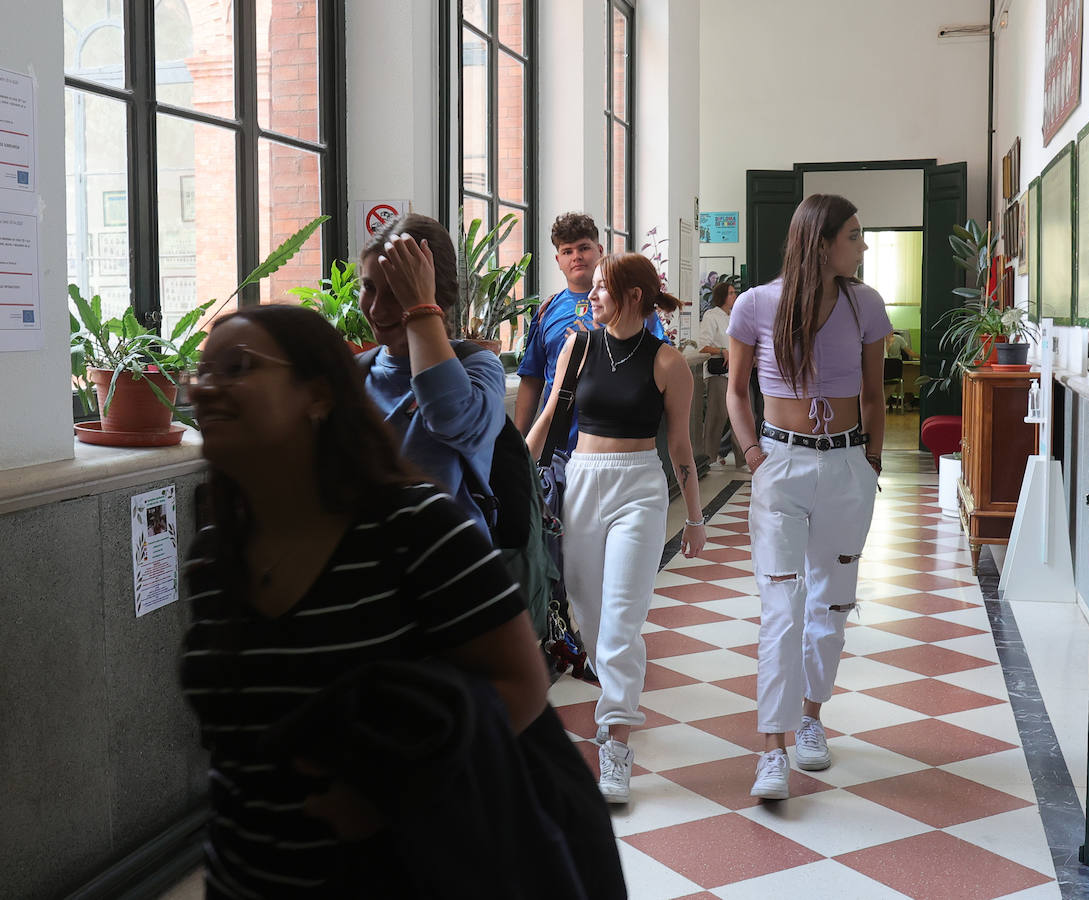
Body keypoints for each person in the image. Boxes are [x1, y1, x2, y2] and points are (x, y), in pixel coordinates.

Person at [180, 304, 552, 896]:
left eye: (238, 368)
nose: (206, 389)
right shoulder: (214, 554)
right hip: (242, 877)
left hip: (393, 872)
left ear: (319, 395)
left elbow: (523, 686)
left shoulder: (415, 530)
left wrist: (395, 788)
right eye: (203, 372)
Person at [725, 194, 891, 800]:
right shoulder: (755, 305)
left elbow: (874, 396)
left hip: (847, 465)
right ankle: (772, 745)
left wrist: (869, 462)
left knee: (832, 601)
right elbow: (736, 393)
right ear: (822, 242)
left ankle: (811, 719)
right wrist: (753, 456)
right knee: (780, 605)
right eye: (855, 234)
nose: (862, 244)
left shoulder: (865, 304)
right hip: (781, 464)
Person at [526, 252, 706, 805]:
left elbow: (680, 448)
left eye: (602, 287)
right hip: (581, 480)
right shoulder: (578, 347)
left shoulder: (668, 362)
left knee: (624, 618)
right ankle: (620, 701)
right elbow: (551, 414)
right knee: (590, 616)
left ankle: (616, 737)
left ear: (632, 295)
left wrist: (696, 517)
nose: (591, 295)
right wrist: (509, 471)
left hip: (639, 490)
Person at [356, 214, 506, 545]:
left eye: (397, 292)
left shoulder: (478, 366)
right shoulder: (354, 373)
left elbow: (450, 416)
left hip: (452, 570)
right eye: (368, 287)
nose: (378, 308)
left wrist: (420, 309)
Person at [515, 212, 666, 443]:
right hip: (559, 446)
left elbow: (660, 369)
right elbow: (532, 381)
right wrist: (517, 442)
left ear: (600, 251)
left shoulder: (632, 305)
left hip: (620, 442)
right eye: (567, 251)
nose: (576, 257)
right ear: (558, 261)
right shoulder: (547, 311)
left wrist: (608, 341)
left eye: (583, 248)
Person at [698, 279, 745, 468]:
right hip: (719, 374)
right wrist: (720, 351)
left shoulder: (734, 315)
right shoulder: (712, 316)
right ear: (722, 296)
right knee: (718, 416)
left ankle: (742, 460)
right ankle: (708, 458)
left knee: (742, 415)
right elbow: (702, 346)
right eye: (731, 293)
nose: (734, 296)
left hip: (737, 372)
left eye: (734, 293)